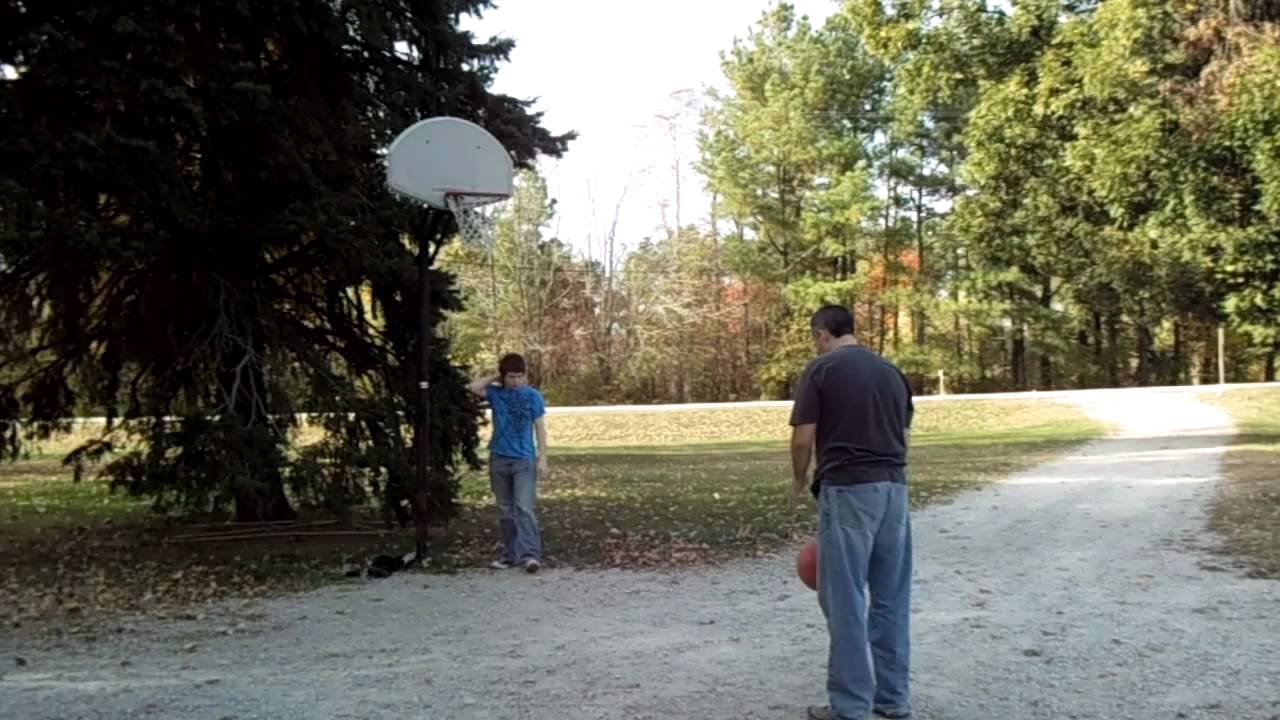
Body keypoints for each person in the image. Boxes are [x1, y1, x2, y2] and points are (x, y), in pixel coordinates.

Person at [788, 304, 915, 720]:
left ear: (823, 333)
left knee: (844, 601)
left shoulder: (821, 370)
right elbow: (903, 430)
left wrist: (798, 479)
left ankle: (850, 707)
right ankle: (893, 701)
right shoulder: (891, 372)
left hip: (848, 489)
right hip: (894, 489)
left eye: (815, 337)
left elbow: (803, 437)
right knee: (890, 598)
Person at [468, 353, 549, 573]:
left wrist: (543, 458)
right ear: (504, 377)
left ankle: (530, 555)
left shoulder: (533, 396)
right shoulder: (496, 394)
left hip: (524, 459)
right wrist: (496, 376)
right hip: (499, 458)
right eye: (511, 377)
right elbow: (474, 387)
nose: (515, 381)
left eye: (519, 376)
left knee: (524, 507)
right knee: (505, 509)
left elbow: (540, 427)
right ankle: (510, 555)